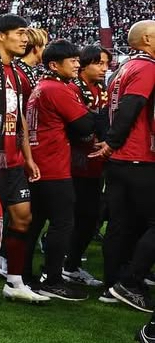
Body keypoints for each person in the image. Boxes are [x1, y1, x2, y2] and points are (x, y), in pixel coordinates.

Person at [0, 15, 46, 303]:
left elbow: (21, 118)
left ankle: (14, 281)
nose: (25, 39)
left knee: (23, 219)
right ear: (1, 36)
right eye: (20, 32)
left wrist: (28, 157)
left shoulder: (15, 72)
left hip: (14, 162)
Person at [23, 40, 99, 300]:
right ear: (54, 65)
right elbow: (85, 124)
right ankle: (53, 278)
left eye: (78, 60)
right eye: (72, 60)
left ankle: (25, 275)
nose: (77, 64)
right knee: (63, 222)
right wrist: (94, 115)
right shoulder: (56, 89)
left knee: (36, 222)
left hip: (40, 162)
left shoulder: (43, 86)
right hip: (52, 165)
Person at [96, 20, 155, 314]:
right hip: (138, 156)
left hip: (120, 160)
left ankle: (112, 285)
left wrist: (111, 144)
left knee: (121, 225)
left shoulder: (124, 68)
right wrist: (113, 141)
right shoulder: (147, 68)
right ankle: (130, 282)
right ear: (147, 39)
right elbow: (131, 107)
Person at [63, 45, 110, 288]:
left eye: (106, 64)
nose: (105, 68)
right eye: (99, 63)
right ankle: (64, 266)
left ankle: (70, 265)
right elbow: (78, 126)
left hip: (95, 161)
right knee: (76, 216)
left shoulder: (100, 89)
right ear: (84, 64)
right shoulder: (72, 88)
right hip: (74, 162)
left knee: (90, 217)